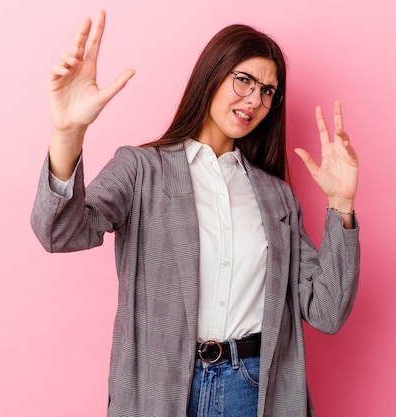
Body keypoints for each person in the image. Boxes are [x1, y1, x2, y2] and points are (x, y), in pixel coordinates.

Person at [31, 9, 360, 417]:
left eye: (268, 91)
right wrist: (68, 132)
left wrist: (341, 206)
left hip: (252, 389)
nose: (255, 100)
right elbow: (59, 232)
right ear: (213, 74)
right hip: (161, 385)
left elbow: (326, 311)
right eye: (244, 80)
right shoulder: (142, 169)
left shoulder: (277, 198)